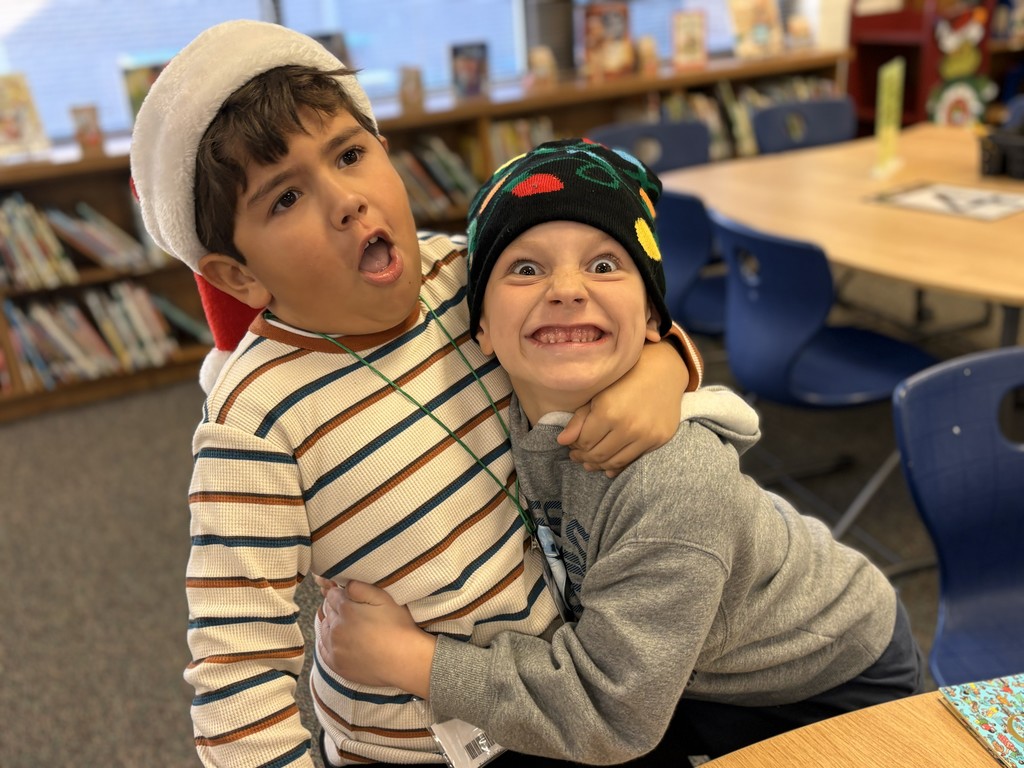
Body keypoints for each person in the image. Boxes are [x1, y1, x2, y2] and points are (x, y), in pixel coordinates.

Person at [128, 21, 703, 768]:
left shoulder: (467, 273)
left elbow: (611, 323)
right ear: (238, 275)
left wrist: (665, 368)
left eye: (349, 154)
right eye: (285, 197)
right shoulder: (256, 420)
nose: (345, 201)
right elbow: (236, 669)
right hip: (411, 746)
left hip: (559, 695)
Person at [317, 139, 925, 765]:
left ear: (654, 319)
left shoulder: (672, 479)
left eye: (605, 265)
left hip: (823, 682)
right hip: (687, 665)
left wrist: (409, 660)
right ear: (482, 332)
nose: (566, 289)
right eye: (525, 269)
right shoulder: (500, 394)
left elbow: (610, 715)